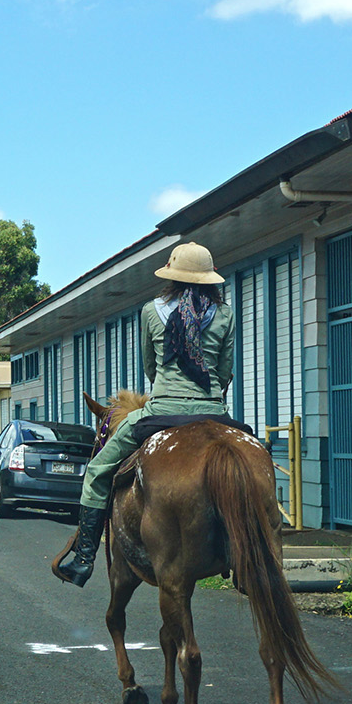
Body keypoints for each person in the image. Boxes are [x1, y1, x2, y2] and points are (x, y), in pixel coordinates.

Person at [54, 242, 236, 587]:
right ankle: (249, 558)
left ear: (172, 276)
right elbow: (225, 371)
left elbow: (150, 368)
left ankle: (84, 557)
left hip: (162, 410)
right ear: (211, 280)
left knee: (97, 470)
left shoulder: (151, 311)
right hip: (214, 410)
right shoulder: (225, 314)